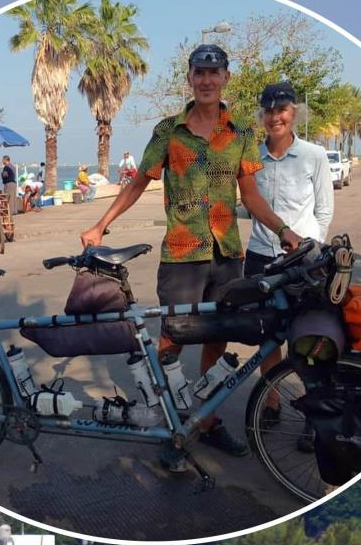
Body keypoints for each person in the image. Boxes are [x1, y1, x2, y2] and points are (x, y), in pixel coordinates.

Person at [80, 43, 303, 467]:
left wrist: (284, 230)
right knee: (172, 337)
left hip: (225, 253)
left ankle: (207, 421)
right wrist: (100, 224)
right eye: (199, 72)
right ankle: (169, 420)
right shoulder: (168, 131)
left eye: (213, 73)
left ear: (226, 79)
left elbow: (251, 196)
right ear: (190, 78)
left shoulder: (241, 134)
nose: (206, 80)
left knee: (215, 337)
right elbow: (138, 183)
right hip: (183, 252)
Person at [248, 81, 333, 426]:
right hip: (260, 257)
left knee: (308, 338)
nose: (275, 117)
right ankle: (271, 402)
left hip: (304, 262)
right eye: (268, 111)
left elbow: (324, 211)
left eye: (281, 110)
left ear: (294, 113)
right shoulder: (252, 157)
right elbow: (249, 204)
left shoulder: (314, 155)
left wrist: (313, 250)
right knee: (267, 336)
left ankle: (316, 412)